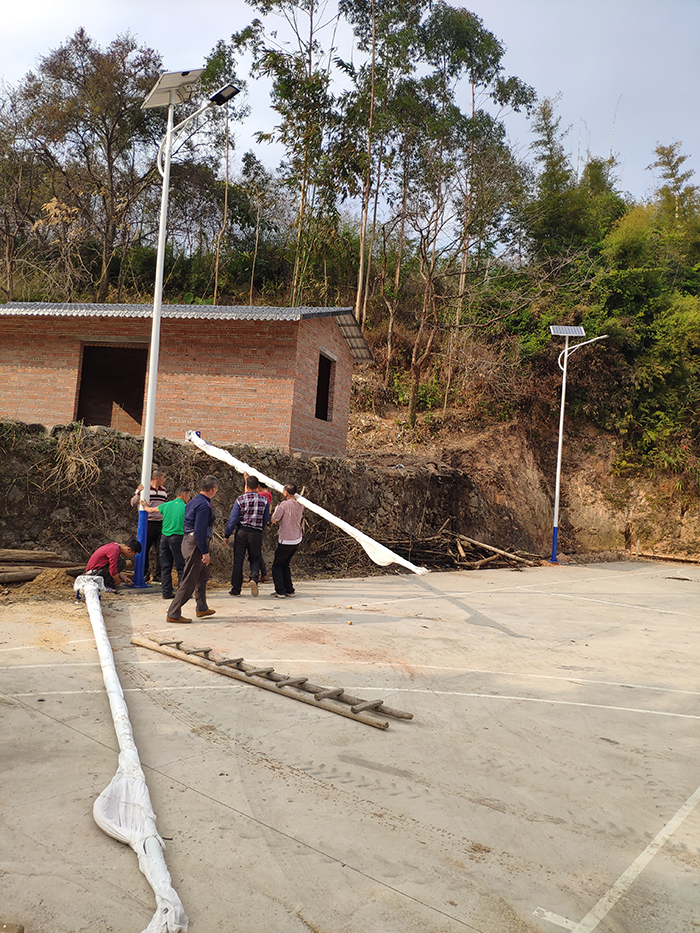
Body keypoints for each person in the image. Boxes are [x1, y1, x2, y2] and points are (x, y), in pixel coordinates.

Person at [166, 475, 218, 623]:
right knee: (189, 580)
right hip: (196, 543)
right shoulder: (204, 505)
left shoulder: (193, 501)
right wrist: (205, 552)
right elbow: (200, 530)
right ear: (213, 489)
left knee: (203, 575)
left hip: (188, 541)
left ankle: (201, 607)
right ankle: (173, 612)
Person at [141, 487, 191, 601]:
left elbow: (150, 510)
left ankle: (167, 591)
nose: (189, 498)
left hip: (164, 538)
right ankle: (183, 592)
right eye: (188, 495)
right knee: (181, 565)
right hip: (178, 537)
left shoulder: (166, 505)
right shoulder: (186, 507)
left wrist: (144, 505)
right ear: (184, 495)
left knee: (165, 566)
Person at [224, 474, 270, 597]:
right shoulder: (264, 500)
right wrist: (261, 528)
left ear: (246, 486)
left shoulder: (240, 500)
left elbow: (233, 519)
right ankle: (254, 579)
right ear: (258, 486)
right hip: (256, 533)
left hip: (242, 532)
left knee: (238, 559)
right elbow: (266, 519)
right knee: (255, 557)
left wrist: (227, 534)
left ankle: (236, 588)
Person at [130, 469, 168, 582]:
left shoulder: (164, 491)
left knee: (160, 549)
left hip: (160, 522)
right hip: (148, 522)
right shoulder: (145, 489)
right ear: (157, 478)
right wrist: (137, 492)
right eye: (164, 477)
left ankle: (158, 574)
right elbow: (133, 503)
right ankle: (144, 573)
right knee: (144, 548)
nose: (165, 480)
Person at [270, 483, 304, 598]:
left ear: (285, 493)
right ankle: (289, 589)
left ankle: (280, 590)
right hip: (296, 538)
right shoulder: (300, 504)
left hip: (286, 539)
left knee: (277, 565)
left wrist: (275, 510)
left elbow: (274, 519)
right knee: (285, 564)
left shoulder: (284, 504)